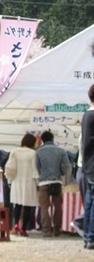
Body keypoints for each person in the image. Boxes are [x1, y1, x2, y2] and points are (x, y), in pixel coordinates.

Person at [36, 130, 71, 237]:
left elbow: (37, 167)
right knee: (57, 206)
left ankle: (47, 230)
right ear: (52, 139)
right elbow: (66, 166)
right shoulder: (61, 151)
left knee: (44, 207)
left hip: (43, 182)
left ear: (42, 140)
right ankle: (57, 229)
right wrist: (60, 172)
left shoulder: (39, 152)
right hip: (57, 181)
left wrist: (42, 174)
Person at [4, 133, 39, 237]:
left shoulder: (14, 151)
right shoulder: (33, 153)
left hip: (16, 181)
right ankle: (23, 229)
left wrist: (9, 181)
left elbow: (10, 168)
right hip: (29, 182)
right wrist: (37, 183)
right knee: (27, 206)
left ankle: (15, 225)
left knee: (17, 205)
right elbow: (34, 170)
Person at [81, 84, 94, 249]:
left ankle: (87, 237)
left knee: (90, 201)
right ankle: (91, 236)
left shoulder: (86, 115)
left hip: (88, 164)